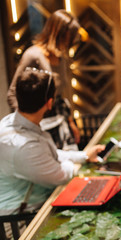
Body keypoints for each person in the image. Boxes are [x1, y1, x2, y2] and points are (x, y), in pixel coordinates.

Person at [0, 68, 104, 216]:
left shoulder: (11, 121)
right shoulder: (25, 147)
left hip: (35, 204)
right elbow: (61, 175)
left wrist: (83, 156)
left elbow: (48, 155)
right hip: (23, 218)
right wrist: (74, 164)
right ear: (49, 103)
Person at [7, 9, 88, 151]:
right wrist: (29, 123)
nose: (69, 43)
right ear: (58, 33)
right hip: (39, 122)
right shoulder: (33, 55)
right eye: (68, 38)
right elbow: (12, 93)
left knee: (69, 162)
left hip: (59, 119)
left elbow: (61, 94)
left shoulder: (61, 57)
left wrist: (71, 122)